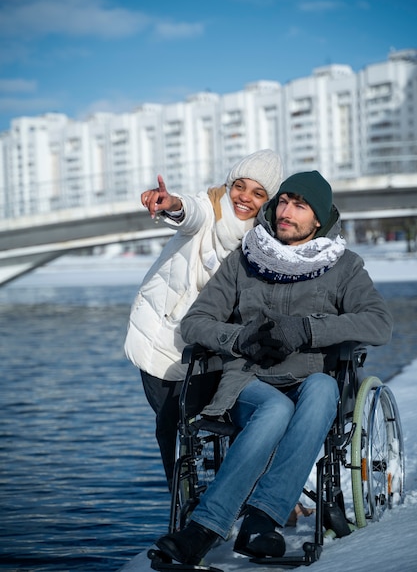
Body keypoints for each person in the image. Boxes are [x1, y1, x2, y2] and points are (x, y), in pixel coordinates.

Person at [154, 170, 393, 564]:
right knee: (275, 409)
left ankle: (260, 520)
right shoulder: (245, 259)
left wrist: (307, 330)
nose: (286, 211)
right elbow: (196, 322)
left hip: (312, 377)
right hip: (248, 378)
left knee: (321, 390)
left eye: (299, 205)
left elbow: (378, 323)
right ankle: (203, 529)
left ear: (319, 220)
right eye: (283, 201)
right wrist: (239, 338)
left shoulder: (344, 266)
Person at [124, 149, 284, 490]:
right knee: (170, 423)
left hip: (217, 343)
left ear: (267, 201)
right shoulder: (209, 210)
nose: (244, 198)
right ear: (229, 185)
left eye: (258, 193)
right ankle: (182, 501)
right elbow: (189, 212)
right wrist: (170, 204)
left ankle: (237, 489)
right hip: (166, 338)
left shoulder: (263, 238)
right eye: (240, 186)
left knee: (230, 416)